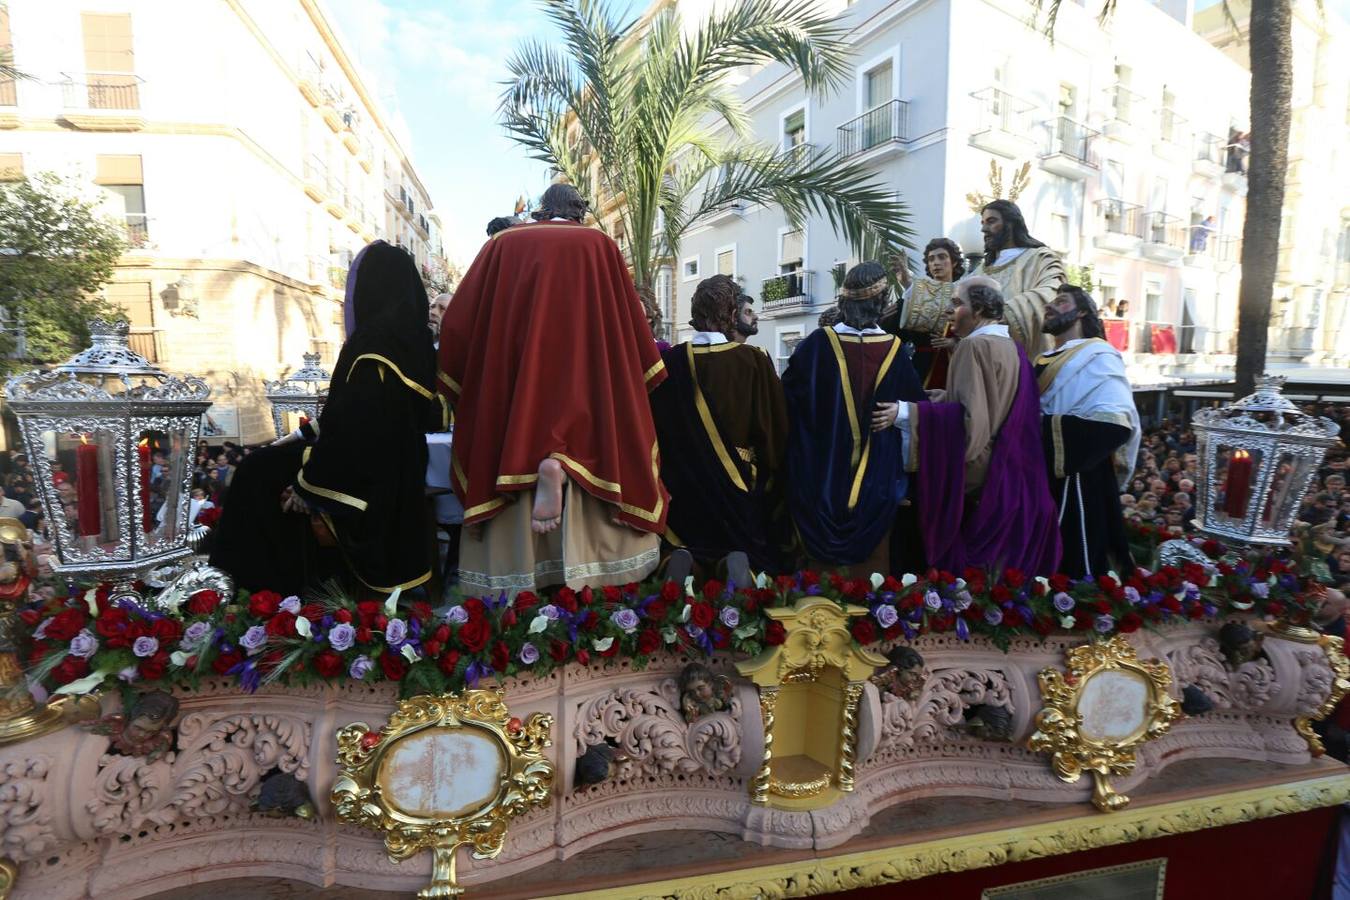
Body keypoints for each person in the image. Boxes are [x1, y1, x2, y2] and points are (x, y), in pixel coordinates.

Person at [439, 183, 667, 596]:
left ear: (543, 211)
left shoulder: (503, 245)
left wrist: (479, 372)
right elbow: (632, 331)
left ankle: (539, 475)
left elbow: (456, 326)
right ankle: (589, 561)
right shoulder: (599, 245)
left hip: (517, 403)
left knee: (517, 411)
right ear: (579, 213)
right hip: (588, 393)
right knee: (594, 421)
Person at [210, 241, 446, 595]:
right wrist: (297, 439)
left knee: (255, 474)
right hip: (401, 467)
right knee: (265, 463)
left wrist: (310, 485)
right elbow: (413, 414)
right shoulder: (416, 340)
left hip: (369, 477)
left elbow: (353, 429)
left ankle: (260, 594)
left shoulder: (371, 343)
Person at [886, 277, 1060, 576]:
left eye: (957, 303)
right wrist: (939, 398)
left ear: (977, 309)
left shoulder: (972, 347)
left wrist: (907, 413)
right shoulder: (1014, 348)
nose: (949, 312)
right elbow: (994, 406)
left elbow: (970, 430)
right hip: (1011, 477)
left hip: (979, 478)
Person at [784, 262, 925, 576]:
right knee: (872, 576)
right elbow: (918, 407)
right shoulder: (896, 350)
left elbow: (788, 405)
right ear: (881, 301)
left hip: (818, 477)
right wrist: (902, 411)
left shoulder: (815, 346)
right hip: (877, 480)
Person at [649, 275, 788, 574]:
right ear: (731, 314)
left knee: (686, 540)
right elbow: (772, 428)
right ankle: (735, 565)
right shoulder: (753, 360)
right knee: (746, 547)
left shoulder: (670, 361)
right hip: (737, 482)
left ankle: (682, 561)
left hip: (682, 482)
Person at [1035, 285, 1140, 578]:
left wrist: (1043, 430)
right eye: (1051, 302)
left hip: (1080, 472)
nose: (1050, 306)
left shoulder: (1099, 355)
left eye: (1061, 301)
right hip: (1041, 470)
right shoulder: (1043, 358)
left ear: (1081, 312)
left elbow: (1115, 423)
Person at [969, 200, 1066, 355]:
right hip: (984, 354)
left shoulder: (1040, 258)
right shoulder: (982, 269)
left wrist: (1006, 314)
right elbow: (957, 296)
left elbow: (1051, 293)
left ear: (1011, 223)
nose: (984, 229)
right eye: (983, 223)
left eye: (991, 221)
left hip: (1022, 354)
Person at [883, 238, 964, 388]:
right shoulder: (911, 296)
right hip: (922, 366)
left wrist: (955, 343)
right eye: (931, 259)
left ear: (954, 262)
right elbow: (897, 335)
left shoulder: (965, 294)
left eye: (942, 257)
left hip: (955, 365)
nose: (936, 263)